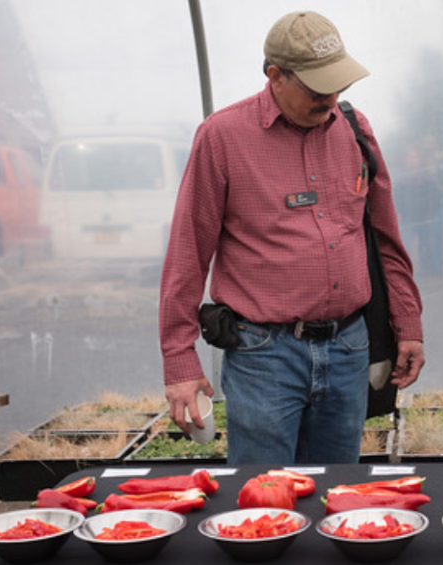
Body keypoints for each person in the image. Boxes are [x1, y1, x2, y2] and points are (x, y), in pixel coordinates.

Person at [159, 11, 425, 465]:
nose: (330, 97)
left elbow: (385, 239)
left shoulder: (354, 129)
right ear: (275, 76)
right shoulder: (222, 138)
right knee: (266, 498)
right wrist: (180, 360)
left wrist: (408, 322)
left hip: (348, 348)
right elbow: (188, 255)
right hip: (264, 355)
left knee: (336, 492)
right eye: (317, 88)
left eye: (337, 84)